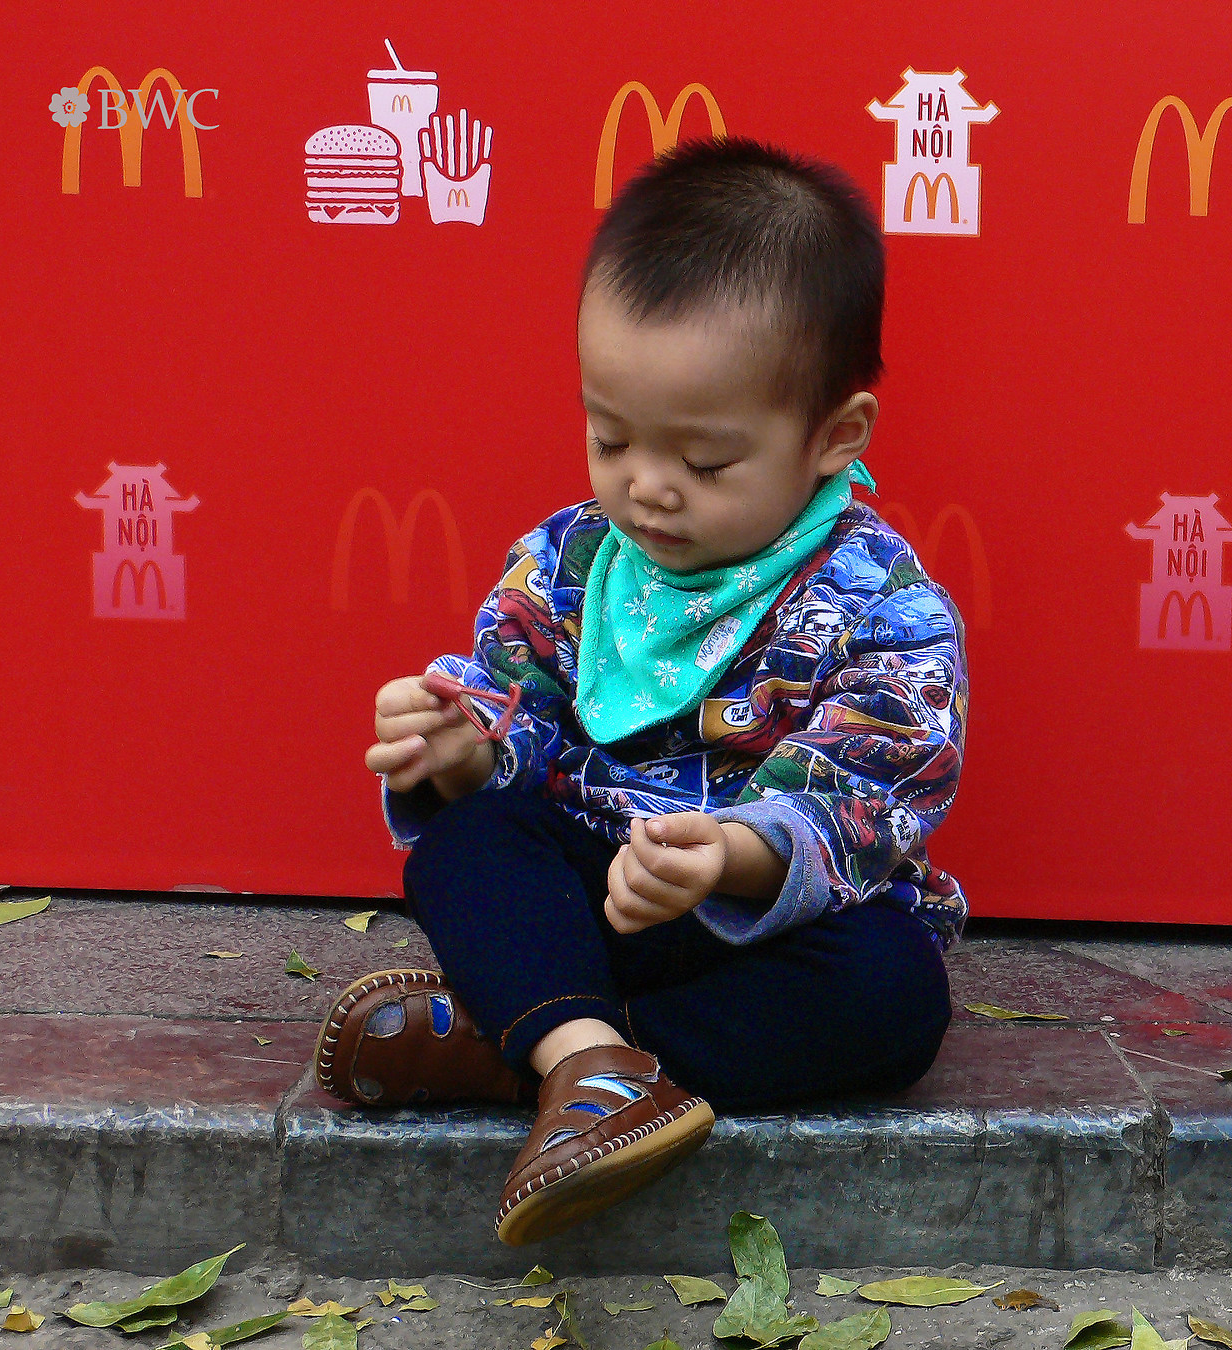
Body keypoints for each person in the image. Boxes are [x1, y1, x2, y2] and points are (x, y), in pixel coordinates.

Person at [315, 136, 968, 1247]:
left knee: (896, 994)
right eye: (609, 436)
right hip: (589, 901)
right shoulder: (573, 559)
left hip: (757, 931)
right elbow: (509, 702)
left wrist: (738, 855)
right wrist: (458, 746)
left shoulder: (883, 605)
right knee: (466, 844)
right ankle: (587, 1061)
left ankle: (535, 1052)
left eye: (706, 463)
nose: (646, 487)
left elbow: (872, 794)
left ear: (834, 436)